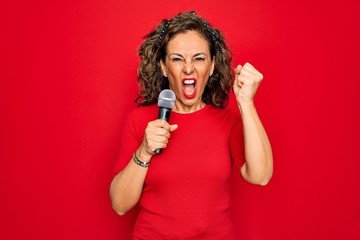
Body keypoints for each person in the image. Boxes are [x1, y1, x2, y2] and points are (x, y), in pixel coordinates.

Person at [110, 11, 273, 239]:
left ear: (213, 65)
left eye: (199, 58)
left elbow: (261, 176)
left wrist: (246, 103)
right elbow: (119, 205)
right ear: (164, 67)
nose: (188, 68)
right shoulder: (140, 121)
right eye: (177, 59)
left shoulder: (228, 122)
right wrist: (144, 151)